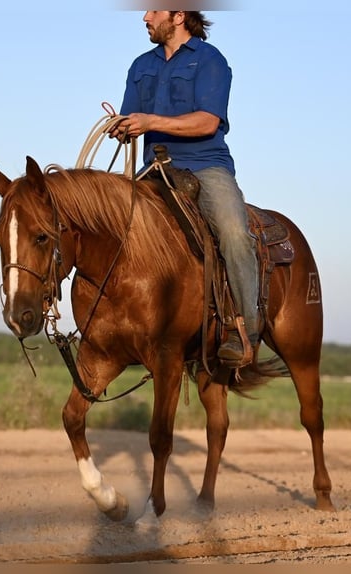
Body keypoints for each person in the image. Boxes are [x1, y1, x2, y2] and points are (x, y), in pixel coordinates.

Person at [110, 10, 259, 368]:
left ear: (178, 15)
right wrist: (124, 125)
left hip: (205, 166)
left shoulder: (210, 61)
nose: (144, 16)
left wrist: (151, 122)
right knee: (107, 225)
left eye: (153, 10)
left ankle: (245, 331)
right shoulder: (140, 65)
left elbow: (208, 122)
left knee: (235, 233)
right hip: (153, 169)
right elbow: (134, 118)